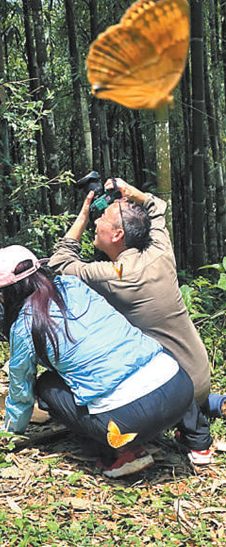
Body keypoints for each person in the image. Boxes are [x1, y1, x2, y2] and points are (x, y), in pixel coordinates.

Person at [49, 177, 225, 464]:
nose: (96, 223)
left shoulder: (115, 274)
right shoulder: (160, 251)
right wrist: (132, 192)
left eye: (101, 219)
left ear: (117, 234)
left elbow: (59, 262)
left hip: (175, 388)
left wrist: (82, 213)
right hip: (199, 369)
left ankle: (194, 427)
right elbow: (157, 208)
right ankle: (210, 408)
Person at [0, 244, 194, 478]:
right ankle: (198, 442)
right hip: (179, 387)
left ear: (7, 293)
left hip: (129, 423)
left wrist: (7, 435)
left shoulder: (24, 326)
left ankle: (126, 454)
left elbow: (21, 392)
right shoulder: (72, 285)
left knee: (46, 385)